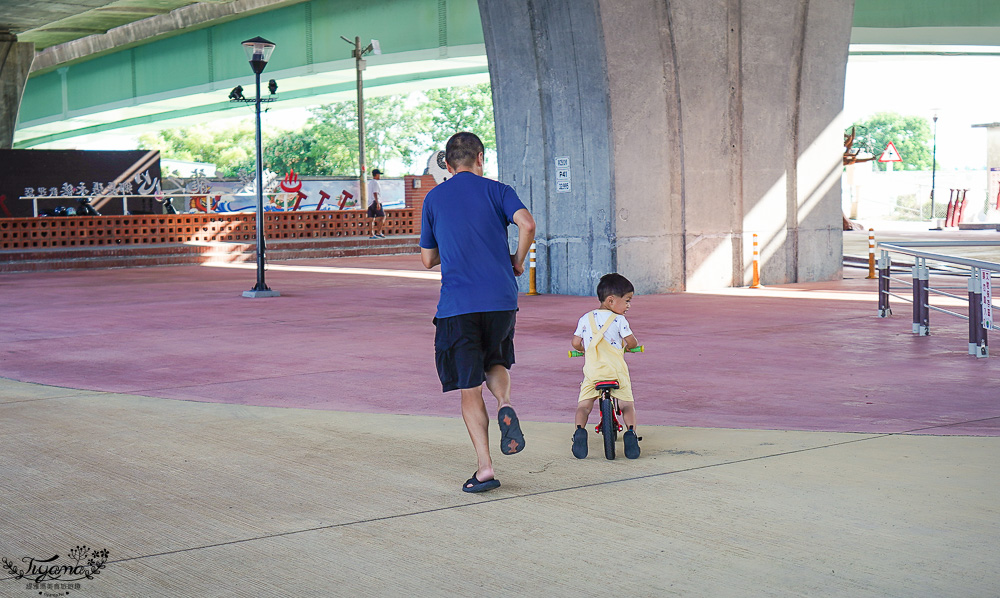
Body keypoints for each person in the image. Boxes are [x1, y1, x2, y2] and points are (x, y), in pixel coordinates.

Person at [419, 132, 536, 493]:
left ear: (448, 165)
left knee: (469, 389)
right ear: (480, 158)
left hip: (458, 306)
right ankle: (506, 402)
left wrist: (450, 247)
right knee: (496, 361)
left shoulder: (434, 198)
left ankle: (485, 468)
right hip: (501, 300)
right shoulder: (499, 191)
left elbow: (427, 259)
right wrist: (517, 261)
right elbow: (527, 225)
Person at [570, 273, 641, 460]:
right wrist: (630, 347)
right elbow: (632, 342)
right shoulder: (619, 320)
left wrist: (583, 349)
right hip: (616, 373)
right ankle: (631, 433)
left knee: (584, 405)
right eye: (627, 301)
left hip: (593, 373)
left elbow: (575, 342)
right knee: (626, 404)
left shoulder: (586, 318)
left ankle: (579, 431)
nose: (628, 306)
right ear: (611, 301)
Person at [367, 169, 387, 238]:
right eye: (379, 175)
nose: (379, 176)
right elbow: (375, 192)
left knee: (371, 219)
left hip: (370, 203)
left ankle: (371, 234)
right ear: (376, 175)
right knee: (383, 216)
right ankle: (379, 232)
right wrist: (377, 202)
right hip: (375, 201)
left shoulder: (370, 183)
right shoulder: (376, 182)